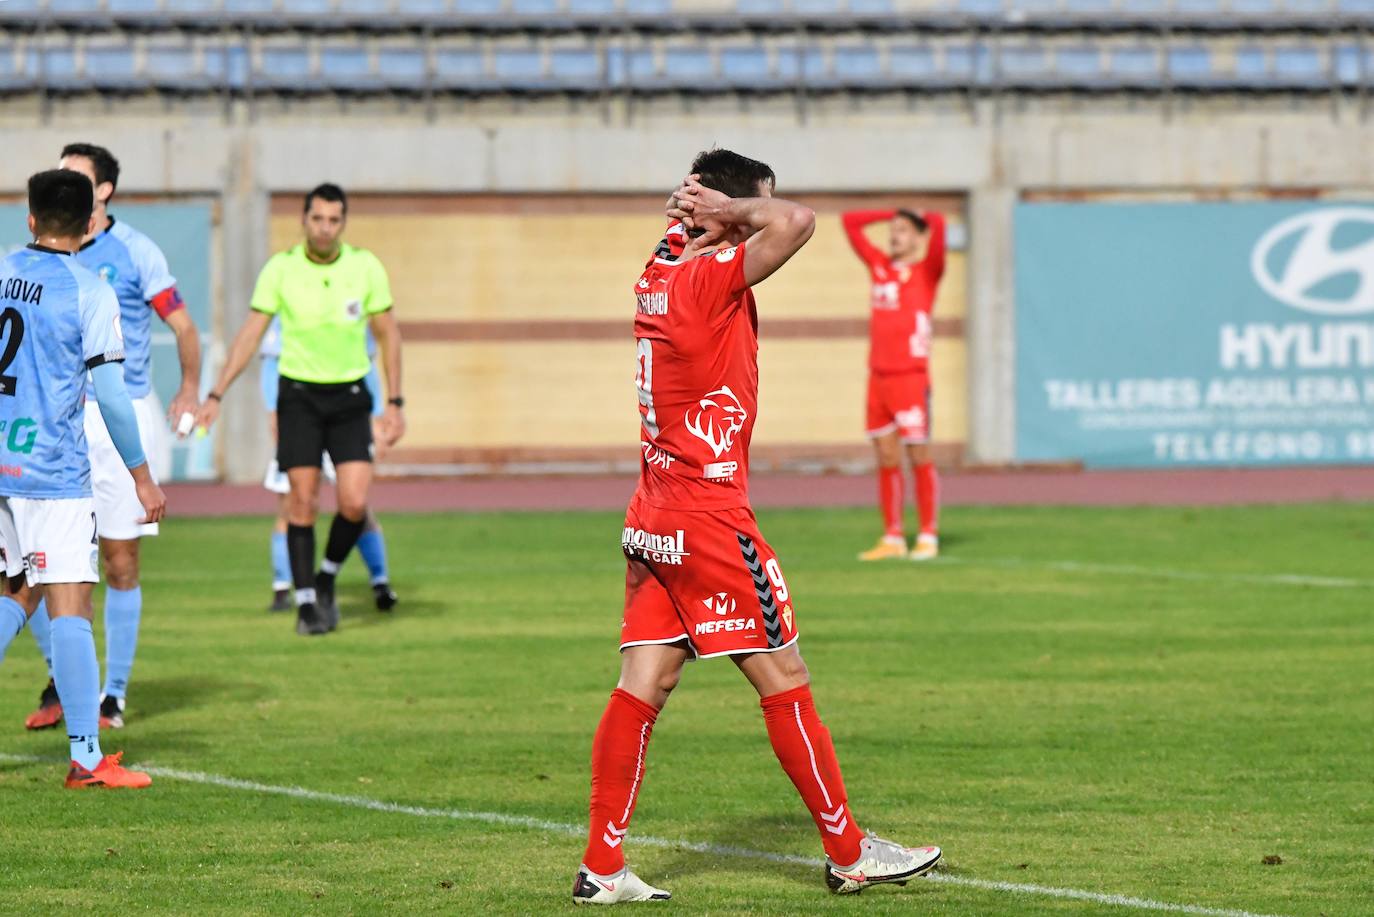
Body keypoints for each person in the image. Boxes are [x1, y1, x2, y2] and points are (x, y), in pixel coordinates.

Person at [570, 150, 941, 905]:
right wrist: (733, 210)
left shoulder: (660, 267)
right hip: (708, 516)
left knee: (645, 679)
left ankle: (602, 864)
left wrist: (709, 210)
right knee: (785, 676)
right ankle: (848, 851)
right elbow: (799, 222)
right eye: (750, 211)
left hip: (652, 514)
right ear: (726, 214)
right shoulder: (709, 276)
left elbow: (767, 220)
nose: (757, 226)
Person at [24, 142, 201, 732]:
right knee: (44, 565)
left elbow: (182, 324)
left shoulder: (135, 254)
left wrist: (190, 388)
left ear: (103, 192)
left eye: (75, 176)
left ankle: (111, 695)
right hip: (57, 420)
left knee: (119, 560)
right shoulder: (35, 265)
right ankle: (62, 682)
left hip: (118, 417)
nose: (63, 182)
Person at [0, 169, 165, 788]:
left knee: (15, 594)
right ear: (91, 223)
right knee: (70, 602)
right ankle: (87, 757)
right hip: (51, 469)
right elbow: (115, 400)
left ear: (32, 219)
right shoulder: (91, 291)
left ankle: (87, 751)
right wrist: (143, 479)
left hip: (1, 462)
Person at [195, 183, 403, 636]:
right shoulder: (281, 270)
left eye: (334, 220)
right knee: (301, 501)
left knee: (354, 502)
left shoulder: (365, 267)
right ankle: (307, 603)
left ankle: (327, 575)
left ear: (342, 224)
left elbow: (389, 335)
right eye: (318, 219)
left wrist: (395, 402)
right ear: (304, 221)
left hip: (349, 397)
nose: (325, 228)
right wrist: (216, 394)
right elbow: (250, 334)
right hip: (299, 398)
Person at [259, 316, 398, 613]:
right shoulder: (291, 299)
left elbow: (367, 365)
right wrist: (274, 410)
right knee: (294, 504)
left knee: (357, 505)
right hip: (301, 415)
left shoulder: (352, 304)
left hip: (345, 418)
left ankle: (380, 582)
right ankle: (284, 588)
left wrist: (375, 414)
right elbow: (271, 363)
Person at [843, 206, 947, 562]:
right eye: (894, 229)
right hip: (879, 377)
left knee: (919, 454)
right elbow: (850, 222)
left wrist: (918, 215)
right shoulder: (880, 267)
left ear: (918, 238)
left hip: (911, 378)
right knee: (886, 456)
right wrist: (891, 213)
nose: (895, 234)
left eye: (904, 230)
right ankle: (893, 536)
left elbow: (939, 223)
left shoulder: (926, 272)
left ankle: (929, 534)